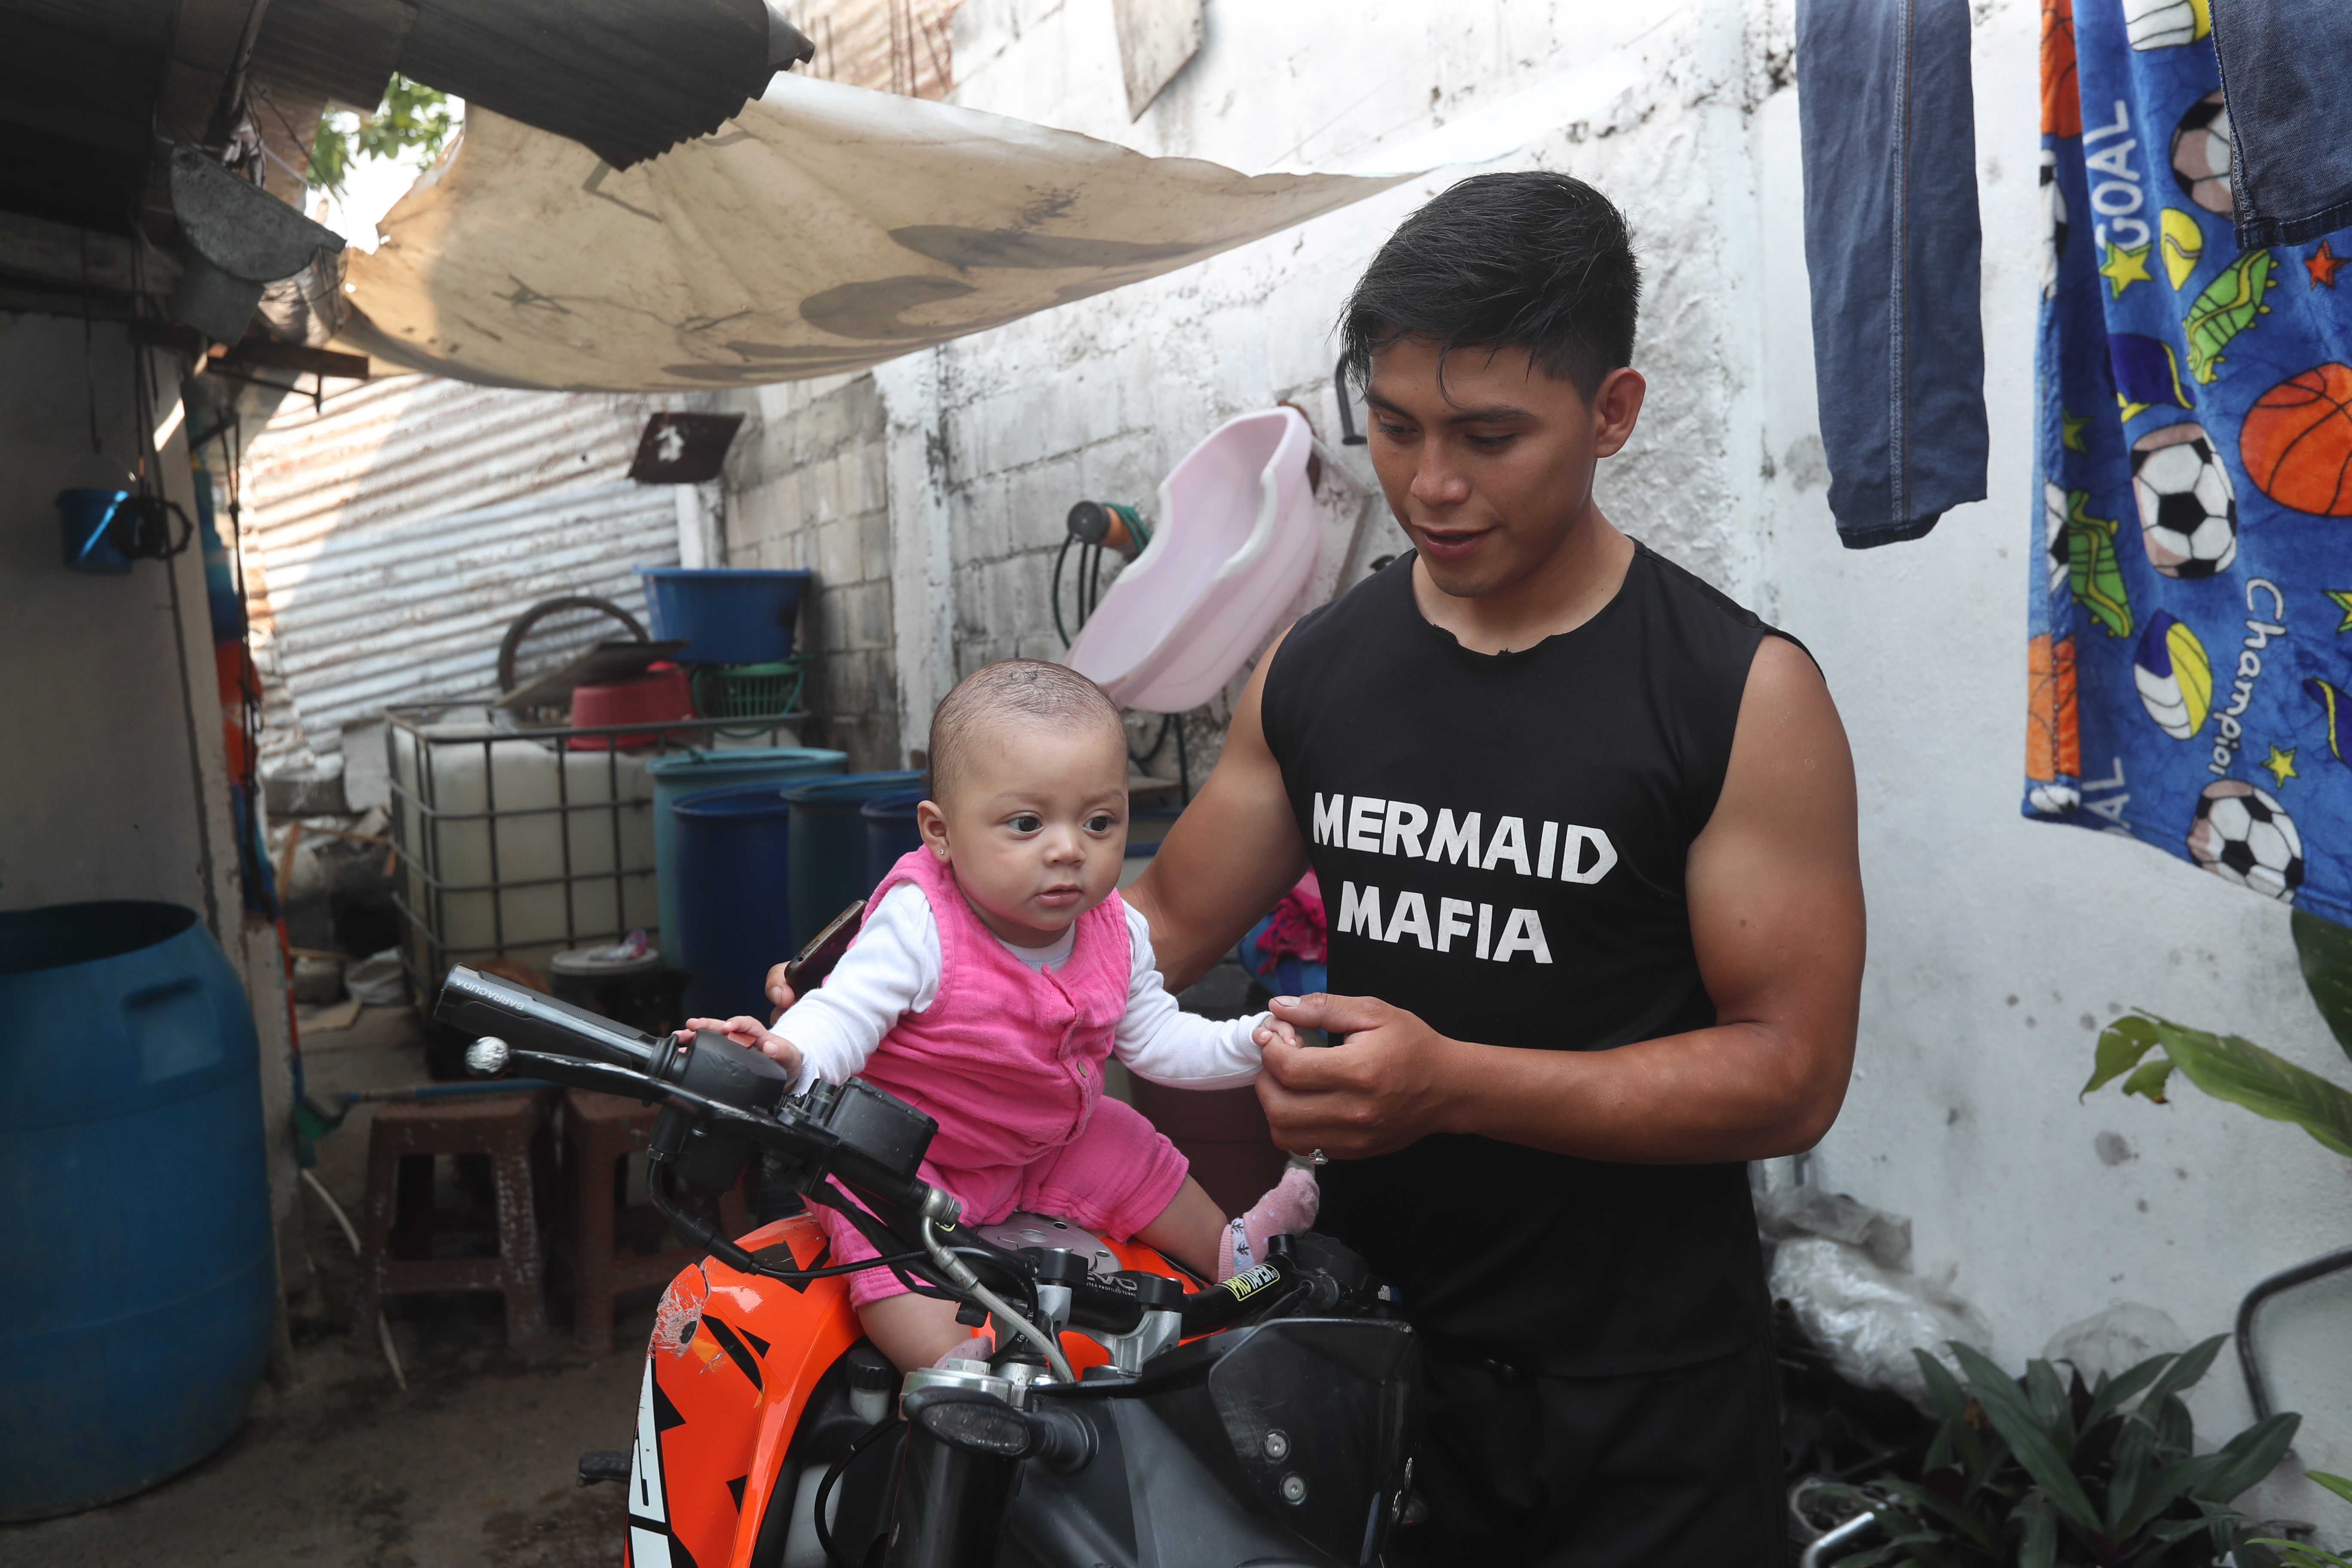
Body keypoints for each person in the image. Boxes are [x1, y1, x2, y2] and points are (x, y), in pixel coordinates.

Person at [693, 659, 1318, 1371]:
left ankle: (1231, 1254)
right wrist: (789, 1052)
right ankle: (952, 1372)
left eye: (1100, 822)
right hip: (915, 1158)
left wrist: (1252, 1043)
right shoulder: (920, 923)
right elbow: (842, 1014)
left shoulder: (1115, 929)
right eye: (1027, 823)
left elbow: (1155, 1039)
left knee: (1130, 1141)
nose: (1068, 849)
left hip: (1048, 1142)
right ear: (941, 832)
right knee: (879, 1242)